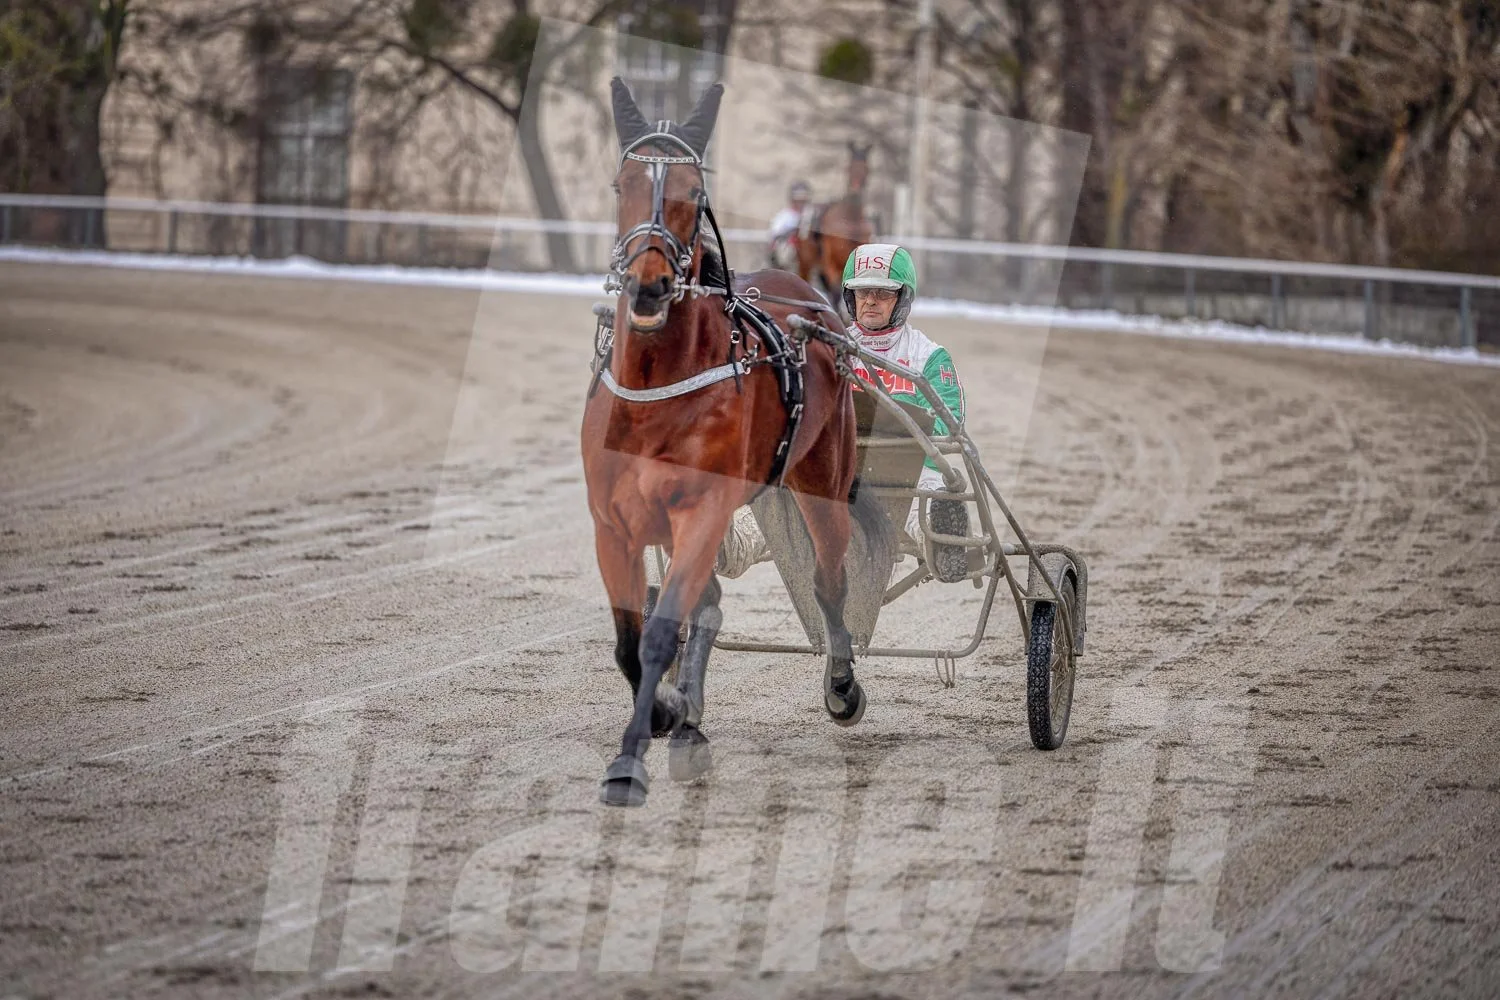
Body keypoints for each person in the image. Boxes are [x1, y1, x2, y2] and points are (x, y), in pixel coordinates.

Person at [714, 243, 971, 582]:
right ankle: (727, 545)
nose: (871, 301)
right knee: (776, 496)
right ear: (850, 296)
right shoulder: (826, 348)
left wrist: (894, 436)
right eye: (863, 292)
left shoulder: (929, 357)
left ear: (903, 298)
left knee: (929, 495)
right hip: (832, 470)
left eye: (883, 293)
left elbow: (950, 424)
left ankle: (942, 545)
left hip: (906, 473)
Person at [767, 180, 811, 270]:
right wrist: (791, 233)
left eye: (803, 201)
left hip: (807, 248)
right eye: (798, 201)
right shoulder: (784, 216)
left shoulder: (810, 215)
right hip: (790, 246)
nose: (800, 204)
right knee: (785, 254)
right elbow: (775, 234)